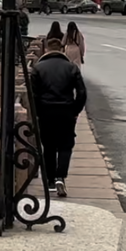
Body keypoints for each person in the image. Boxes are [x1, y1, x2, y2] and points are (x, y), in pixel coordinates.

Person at [29, 37, 87, 198]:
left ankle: (50, 181)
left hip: (46, 112)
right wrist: (75, 110)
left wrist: (37, 112)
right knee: (65, 145)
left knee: (48, 146)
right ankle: (61, 177)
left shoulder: (38, 68)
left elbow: (33, 95)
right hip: (66, 111)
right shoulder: (71, 68)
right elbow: (82, 93)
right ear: (61, 50)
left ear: (46, 50)